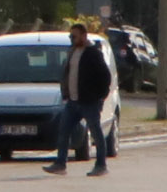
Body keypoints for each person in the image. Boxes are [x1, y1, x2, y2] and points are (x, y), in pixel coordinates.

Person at [48, 23, 117, 175]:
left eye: (74, 36)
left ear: (84, 36)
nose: (71, 39)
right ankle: (60, 164)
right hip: (72, 101)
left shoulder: (93, 53)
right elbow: (67, 74)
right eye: (70, 36)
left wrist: (99, 97)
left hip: (89, 102)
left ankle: (101, 165)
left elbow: (106, 77)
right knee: (64, 131)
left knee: (96, 132)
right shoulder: (72, 51)